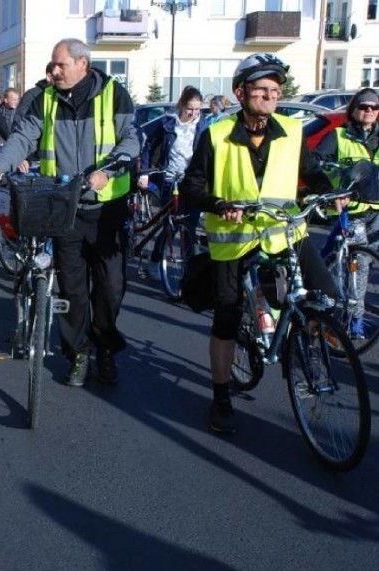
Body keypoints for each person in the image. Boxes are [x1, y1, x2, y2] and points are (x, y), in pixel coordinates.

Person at [181, 53, 343, 435]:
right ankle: (220, 397)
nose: (270, 97)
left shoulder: (291, 131)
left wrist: (327, 192)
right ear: (241, 93)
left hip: (284, 234)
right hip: (234, 242)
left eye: (275, 91)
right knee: (225, 318)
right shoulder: (217, 134)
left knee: (326, 297)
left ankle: (302, 341)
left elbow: (312, 173)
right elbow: (190, 187)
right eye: (261, 90)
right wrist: (219, 204)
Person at [0, 38, 140, 387]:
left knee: (110, 288)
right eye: (52, 65)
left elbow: (130, 137)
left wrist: (111, 169)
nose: (53, 71)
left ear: (82, 64)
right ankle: (78, 353)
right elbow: (23, 138)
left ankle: (106, 349)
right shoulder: (45, 99)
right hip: (64, 207)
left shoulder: (115, 94)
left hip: (106, 208)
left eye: (60, 65)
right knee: (72, 289)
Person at [313, 87, 379, 339]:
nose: (369, 111)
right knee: (359, 266)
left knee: (347, 260)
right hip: (353, 212)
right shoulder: (338, 136)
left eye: (374, 107)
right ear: (353, 109)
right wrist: (337, 183)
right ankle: (355, 321)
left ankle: (320, 278)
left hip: (377, 212)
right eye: (364, 106)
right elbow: (317, 165)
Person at [138, 85, 205, 278]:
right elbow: (147, 145)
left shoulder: (203, 126)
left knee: (190, 228)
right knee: (170, 224)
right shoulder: (167, 123)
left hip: (193, 181)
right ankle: (155, 260)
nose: (193, 113)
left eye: (197, 109)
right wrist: (145, 173)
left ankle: (188, 272)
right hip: (170, 178)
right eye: (190, 108)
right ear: (181, 105)